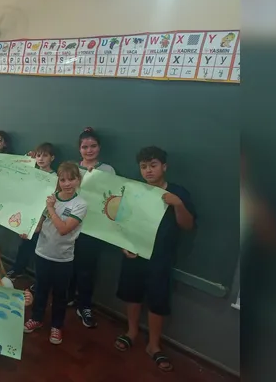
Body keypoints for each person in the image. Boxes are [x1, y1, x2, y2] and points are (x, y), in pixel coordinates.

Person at [114, 146, 196, 372]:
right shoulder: (134, 190)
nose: (148, 171)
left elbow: (188, 226)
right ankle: (131, 331)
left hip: (161, 257)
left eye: (153, 165)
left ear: (164, 167)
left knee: (157, 299)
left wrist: (178, 204)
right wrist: (124, 246)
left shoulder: (178, 192)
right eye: (143, 167)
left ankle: (153, 344)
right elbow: (122, 222)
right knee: (132, 294)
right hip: (135, 253)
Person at [24, 162, 88, 345]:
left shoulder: (80, 204)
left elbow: (63, 229)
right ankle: (37, 318)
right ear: (58, 180)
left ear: (78, 179)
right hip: (42, 253)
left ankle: (56, 326)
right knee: (41, 289)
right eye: (62, 180)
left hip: (63, 258)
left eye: (71, 179)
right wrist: (26, 230)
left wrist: (51, 207)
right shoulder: (50, 198)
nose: (67, 183)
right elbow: (38, 226)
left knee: (60, 294)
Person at [69, 127, 116, 329]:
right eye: (85, 147)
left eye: (93, 146)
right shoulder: (71, 168)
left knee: (87, 269)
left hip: (93, 229)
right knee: (68, 264)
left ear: (99, 147)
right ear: (79, 149)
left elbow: (112, 198)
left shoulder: (107, 170)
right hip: (69, 226)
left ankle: (85, 304)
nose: (89, 150)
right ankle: (68, 296)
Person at [8, 143, 57, 288]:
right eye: (38, 155)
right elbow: (17, 169)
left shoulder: (54, 177)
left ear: (52, 158)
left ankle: (39, 281)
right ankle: (17, 270)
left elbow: (50, 202)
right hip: (28, 216)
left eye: (45, 155)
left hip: (44, 220)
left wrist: (41, 222)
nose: (41, 159)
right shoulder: (33, 172)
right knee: (24, 246)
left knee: (40, 251)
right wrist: (27, 158)